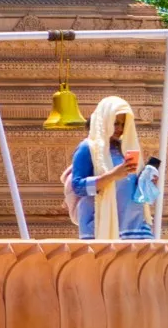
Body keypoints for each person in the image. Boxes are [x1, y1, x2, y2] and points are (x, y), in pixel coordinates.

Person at [66, 95, 155, 241]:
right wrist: (112, 175)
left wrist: (148, 184)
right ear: (104, 120)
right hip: (101, 227)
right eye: (115, 123)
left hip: (135, 228)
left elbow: (138, 195)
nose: (119, 128)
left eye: (122, 124)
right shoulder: (87, 148)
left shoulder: (125, 149)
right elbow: (78, 187)